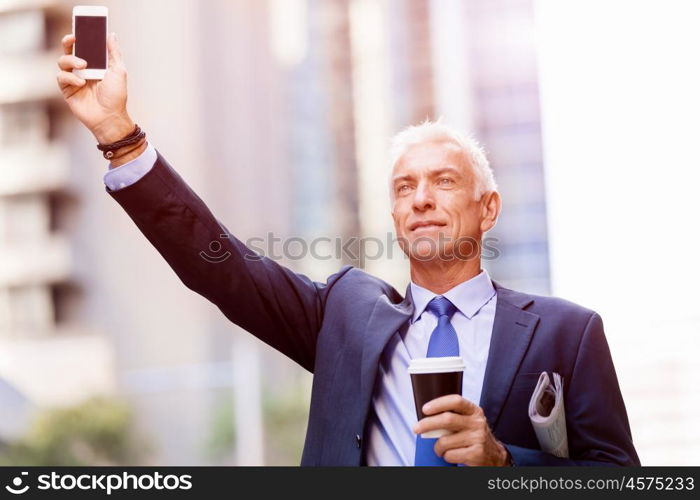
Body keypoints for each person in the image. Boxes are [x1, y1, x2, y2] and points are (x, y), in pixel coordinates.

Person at [56, 32, 640, 466]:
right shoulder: (345, 315)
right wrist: (119, 136)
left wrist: (505, 462)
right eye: (405, 187)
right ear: (394, 217)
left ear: (487, 208)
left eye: (444, 181)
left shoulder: (568, 333)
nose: (421, 199)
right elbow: (219, 265)